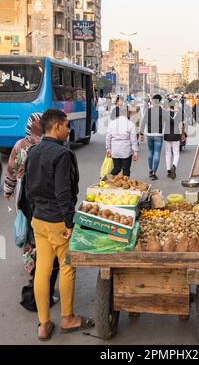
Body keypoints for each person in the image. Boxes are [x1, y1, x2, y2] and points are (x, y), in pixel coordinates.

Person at [25, 109, 94, 340]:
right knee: (66, 267)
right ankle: (67, 318)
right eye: (66, 126)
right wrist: (69, 222)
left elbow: (28, 189)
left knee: (42, 271)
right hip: (57, 222)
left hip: (38, 220)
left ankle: (43, 325)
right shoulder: (62, 154)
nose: (68, 130)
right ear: (56, 127)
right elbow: (63, 192)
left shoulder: (32, 150)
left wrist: (36, 213)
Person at [4, 113, 59, 310]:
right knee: (40, 236)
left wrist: (8, 190)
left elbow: (11, 170)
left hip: (25, 197)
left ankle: (32, 265)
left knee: (29, 233)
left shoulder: (20, 145)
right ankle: (42, 274)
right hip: (44, 199)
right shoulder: (51, 145)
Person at [106, 106, 139, 177]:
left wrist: (108, 149)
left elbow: (108, 137)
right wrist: (135, 152)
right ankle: (124, 185)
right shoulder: (130, 124)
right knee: (126, 170)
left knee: (116, 168)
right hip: (126, 151)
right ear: (127, 113)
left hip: (115, 151)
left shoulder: (112, 123)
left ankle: (108, 180)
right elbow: (134, 140)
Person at [140, 94, 165, 181]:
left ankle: (150, 170)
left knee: (150, 152)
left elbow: (143, 122)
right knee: (157, 153)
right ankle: (154, 173)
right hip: (158, 135)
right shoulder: (162, 111)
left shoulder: (148, 110)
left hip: (149, 135)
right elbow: (170, 121)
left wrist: (141, 133)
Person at [164, 101, 183, 179]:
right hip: (176, 135)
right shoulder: (178, 114)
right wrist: (182, 134)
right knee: (176, 153)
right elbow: (180, 125)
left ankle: (168, 170)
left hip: (167, 135)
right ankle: (174, 166)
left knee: (168, 153)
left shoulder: (165, 114)